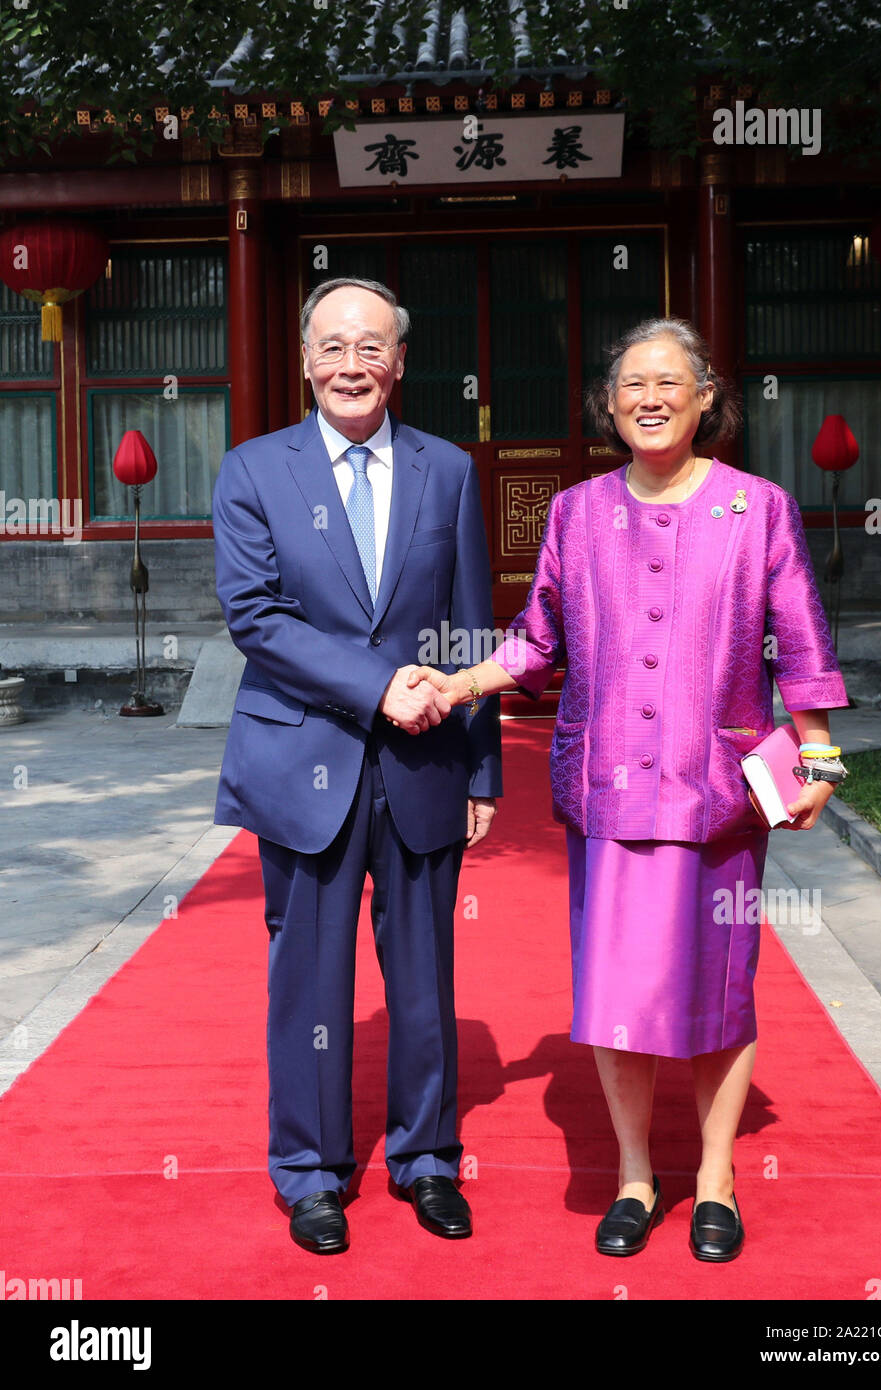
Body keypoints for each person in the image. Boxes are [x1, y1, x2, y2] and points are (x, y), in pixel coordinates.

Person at [409, 316, 848, 1262]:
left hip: (718, 797)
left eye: (668, 383)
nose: (648, 398)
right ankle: (636, 1175)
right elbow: (535, 641)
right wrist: (458, 682)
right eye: (629, 386)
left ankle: (718, 1181)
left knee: (720, 995)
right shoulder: (574, 513)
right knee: (616, 994)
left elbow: (801, 642)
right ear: (607, 407)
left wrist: (818, 759)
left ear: (703, 399)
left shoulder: (757, 507)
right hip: (607, 792)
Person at [212, 277, 501, 1254]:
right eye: (332, 346)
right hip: (304, 760)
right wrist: (381, 685)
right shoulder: (254, 471)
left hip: (425, 765)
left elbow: (469, 624)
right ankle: (312, 1171)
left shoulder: (447, 470)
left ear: (401, 363)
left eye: (370, 347)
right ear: (302, 360)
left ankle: (427, 1158)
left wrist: (484, 769)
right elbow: (257, 617)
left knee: (425, 978)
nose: (351, 364)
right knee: (309, 980)